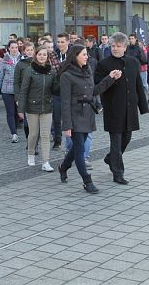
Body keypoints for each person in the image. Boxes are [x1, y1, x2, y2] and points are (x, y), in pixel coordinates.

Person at [58, 45, 120, 194]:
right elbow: (65, 102)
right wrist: (66, 125)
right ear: (75, 56)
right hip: (74, 115)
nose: (87, 57)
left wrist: (110, 78)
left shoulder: (87, 70)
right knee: (80, 148)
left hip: (88, 114)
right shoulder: (66, 75)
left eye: (87, 54)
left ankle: (64, 167)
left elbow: (94, 91)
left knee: (78, 146)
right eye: (84, 54)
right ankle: (87, 181)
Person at [95, 32, 149, 186]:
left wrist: (143, 107)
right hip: (113, 108)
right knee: (116, 140)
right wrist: (110, 78)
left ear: (125, 47)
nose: (115, 49)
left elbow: (138, 85)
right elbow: (97, 87)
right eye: (113, 46)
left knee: (127, 138)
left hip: (130, 108)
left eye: (118, 46)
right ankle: (118, 173)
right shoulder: (103, 64)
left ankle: (110, 158)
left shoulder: (133, 62)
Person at [18, 45, 58, 171]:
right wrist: (21, 109)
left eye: (44, 55)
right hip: (32, 106)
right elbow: (23, 91)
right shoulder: (29, 70)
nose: (42, 56)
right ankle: (31, 154)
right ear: (36, 55)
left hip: (47, 106)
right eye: (40, 54)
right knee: (34, 134)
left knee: (45, 135)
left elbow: (55, 89)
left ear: (47, 57)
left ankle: (46, 162)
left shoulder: (52, 70)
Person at [0, 40, 22, 143]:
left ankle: (17, 126)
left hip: (19, 90)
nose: (14, 49)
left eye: (16, 47)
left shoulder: (22, 59)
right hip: (7, 90)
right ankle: (14, 134)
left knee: (17, 112)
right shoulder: (4, 60)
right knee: (10, 112)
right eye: (12, 47)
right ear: (8, 48)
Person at [14, 42, 35, 143]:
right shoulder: (20, 65)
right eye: (28, 50)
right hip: (25, 96)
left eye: (31, 50)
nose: (30, 52)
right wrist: (17, 98)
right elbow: (16, 82)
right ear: (24, 51)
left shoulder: (38, 62)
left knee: (36, 123)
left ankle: (34, 142)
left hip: (37, 95)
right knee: (27, 122)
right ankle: (29, 141)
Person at [51, 33, 70, 150]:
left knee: (68, 118)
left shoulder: (73, 54)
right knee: (56, 118)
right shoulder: (53, 55)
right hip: (56, 91)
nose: (60, 44)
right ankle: (57, 140)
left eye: (62, 42)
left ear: (68, 42)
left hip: (69, 91)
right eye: (58, 42)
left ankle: (69, 142)